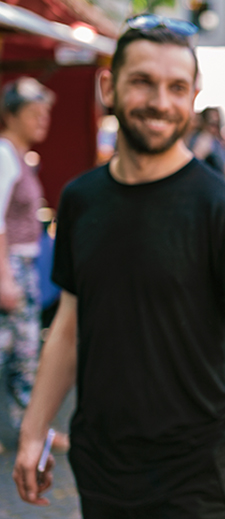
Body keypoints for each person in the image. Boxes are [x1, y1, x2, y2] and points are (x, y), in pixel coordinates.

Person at [12, 16, 225, 519]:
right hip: (100, 462)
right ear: (108, 86)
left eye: (176, 87)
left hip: (194, 469)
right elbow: (69, 329)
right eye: (143, 81)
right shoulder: (80, 199)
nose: (160, 102)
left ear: (193, 95)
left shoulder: (223, 209)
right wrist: (34, 432)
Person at [0, 77, 68, 452]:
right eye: (34, 113)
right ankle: (36, 431)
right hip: (10, 266)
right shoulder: (4, 154)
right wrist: (5, 277)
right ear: (11, 115)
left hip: (21, 265)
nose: (43, 120)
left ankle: (34, 428)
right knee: (21, 352)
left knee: (22, 352)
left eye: (45, 113)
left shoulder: (19, 155)